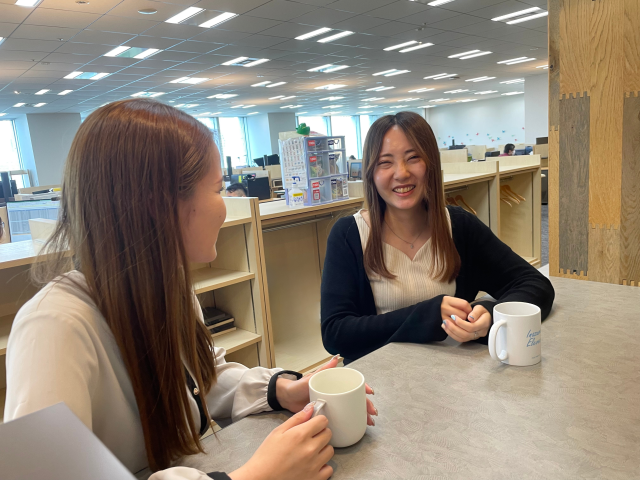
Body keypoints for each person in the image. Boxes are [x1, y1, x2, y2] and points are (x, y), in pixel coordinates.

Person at [4, 99, 376, 480]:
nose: (225, 207)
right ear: (158, 204)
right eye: (218, 189)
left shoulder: (165, 288)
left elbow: (198, 383)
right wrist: (254, 477)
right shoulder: (53, 328)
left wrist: (281, 390)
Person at [320, 112, 554, 364]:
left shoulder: (459, 226)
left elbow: (534, 284)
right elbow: (336, 333)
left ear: (430, 163)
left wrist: (490, 313)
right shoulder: (349, 234)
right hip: (380, 379)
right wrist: (427, 315)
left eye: (413, 158)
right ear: (371, 173)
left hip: (452, 376)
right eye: (385, 162)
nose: (401, 173)